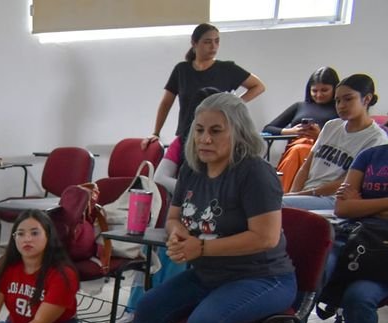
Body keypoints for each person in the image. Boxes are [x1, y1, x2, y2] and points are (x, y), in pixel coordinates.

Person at [90, 93, 296, 323]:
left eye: (216, 131)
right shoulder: (193, 169)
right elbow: (173, 216)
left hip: (264, 278)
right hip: (210, 273)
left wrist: (201, 249)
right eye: (199, 130)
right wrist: (178, 234)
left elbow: (264, 237)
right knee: (150, 306)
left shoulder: (254, 173)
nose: (204, 139)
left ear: (239, 133)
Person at [313, 145, 388, 323]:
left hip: (382, 260)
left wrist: (362, 204)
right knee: (315, 269)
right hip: (354, 240)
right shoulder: (370, 155)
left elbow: (353, 205)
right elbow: (343, 208)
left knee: (359, 298)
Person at [143, 23, 265, 153]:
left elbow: (258, 86)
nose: (213, 46)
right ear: (194, 43)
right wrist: (156, 132)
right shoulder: (182, 70)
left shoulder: (227, 68)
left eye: (217, 41)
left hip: (217, 136)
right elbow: (166, 103)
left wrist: (233, 104)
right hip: (187, 135)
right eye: (208, 42)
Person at [283, 74, 388, 210]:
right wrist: (293, 194)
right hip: (306, 194)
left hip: (332, 199)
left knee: (273, 206)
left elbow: (348, 182)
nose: (341, 106)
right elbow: (306, 166)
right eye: (337, 101)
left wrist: (301, 195)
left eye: (348, 99)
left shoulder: (376, 139)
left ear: (366, 99)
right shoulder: (331, 126)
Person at [264, 67, 340, 192]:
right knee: (297, 150)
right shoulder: (300, 106)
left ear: (334, 89)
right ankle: (283, 194)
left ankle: (283, 194)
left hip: (322, 152)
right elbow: (268, 128)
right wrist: (290, 131)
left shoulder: (339, 110)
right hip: (295, 146)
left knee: (299, 151)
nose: (319, 95)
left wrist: (319, 135)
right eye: (314, 91)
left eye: (324, 90)